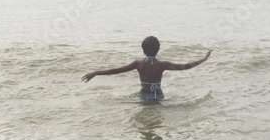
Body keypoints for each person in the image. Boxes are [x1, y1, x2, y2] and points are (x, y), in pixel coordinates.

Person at [81, 36, 212, 100]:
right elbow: (185, 66)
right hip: (158, 95)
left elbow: (116, 70)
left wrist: (96, 73)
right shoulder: (162, 64)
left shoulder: (138, 63)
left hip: (144, 95)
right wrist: (203, 59)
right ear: (158, 49)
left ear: (143, 50)